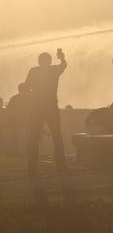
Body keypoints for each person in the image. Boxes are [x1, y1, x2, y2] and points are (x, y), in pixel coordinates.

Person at [24, 49, 67, 177]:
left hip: (36, 108)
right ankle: (61, 165)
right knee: (57, 136)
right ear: (49, 61)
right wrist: (62, 58)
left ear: (39, 61)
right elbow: (64, 65)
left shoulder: (34, 71)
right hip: (51, 107)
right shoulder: (53, 70)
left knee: (34, 138)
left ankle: (32, 167)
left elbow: (27, 87)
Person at [4, 83, 30, 156]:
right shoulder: (16, 99)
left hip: (20, 125)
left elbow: (9, 110)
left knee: (19, 141)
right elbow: (10, 111)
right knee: (17, 141)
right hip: (16, 125)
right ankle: (14, 154)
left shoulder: (15, 98)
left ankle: (16, 155)